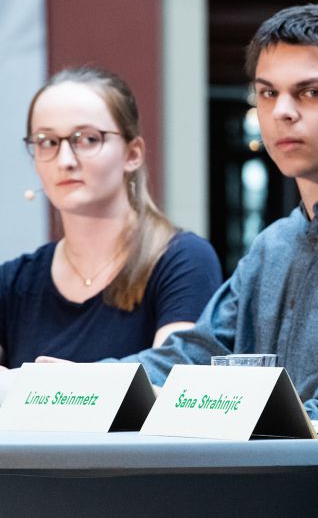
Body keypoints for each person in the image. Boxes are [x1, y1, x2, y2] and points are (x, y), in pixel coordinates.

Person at [94, 4, 318, 421]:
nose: (282, 111)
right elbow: (197, 354)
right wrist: (81, 384)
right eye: (268, 93)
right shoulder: (275, 242)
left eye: (311, 92)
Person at [0, 66, 222, 369]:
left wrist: (77, 386)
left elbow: (175, 380)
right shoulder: (13, 282)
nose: (65, 160)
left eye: (88, 139)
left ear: (132, 154)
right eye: (47, 142)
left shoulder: (183, 259)